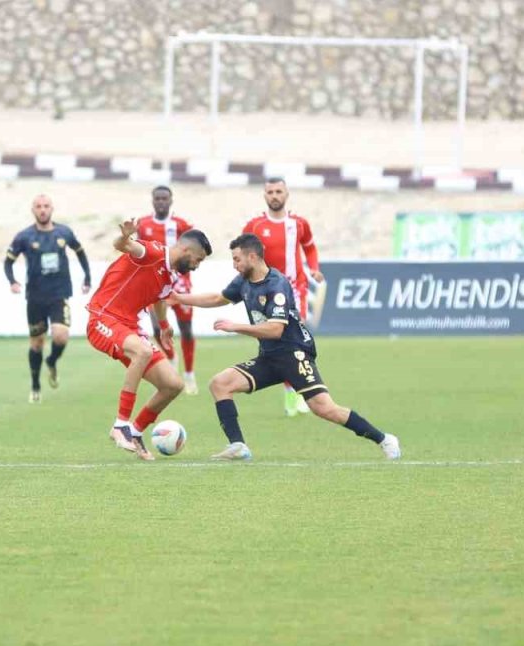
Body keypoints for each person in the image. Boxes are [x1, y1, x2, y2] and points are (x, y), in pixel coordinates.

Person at [170, 233, 400, 461]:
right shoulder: (244, 281)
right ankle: (238, 446)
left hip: (294, 353)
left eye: (237, 259)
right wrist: (178, 298)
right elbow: (217, 298)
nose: (234, 264)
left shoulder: (277, 285)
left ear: (252, 256)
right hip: (269, 357)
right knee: (220, 384)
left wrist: (235, 327)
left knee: (324, 408)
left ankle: (384, 439)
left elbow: (275, 329)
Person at [86, 219, 212, 461]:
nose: (196, 266)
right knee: (142, 352)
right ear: (187, 250)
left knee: (173, 385)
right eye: (198, 260)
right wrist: (125, 237)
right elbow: (124, 246)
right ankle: (120, 425)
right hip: (103, 318)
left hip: (129, 327)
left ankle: (134, 431)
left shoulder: (170, 275)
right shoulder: (151, 252)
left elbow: (160, 298)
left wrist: (164, 326)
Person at [242, 177, 324, 417]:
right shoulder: (255, 226)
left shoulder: (299, 224)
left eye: (279, 191)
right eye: (270, 192)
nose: (274, 195)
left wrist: (314, 267)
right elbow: (242, 253)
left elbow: (309, 246)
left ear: (287, 194)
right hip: (266, 290)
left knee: (295, 339)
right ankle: (291, 391)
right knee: (274, 342)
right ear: (264, 195)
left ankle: (296, 393)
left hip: (296, 288)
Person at [5, 195, 93, 403]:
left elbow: (80, 252)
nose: (42, 210)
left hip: (59, 293)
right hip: (35, 297)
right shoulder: (24, 237)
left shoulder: (64, 232)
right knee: (37, 343)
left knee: (61, 335)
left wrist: (87, 277)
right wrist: (13, 281)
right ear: (33, 210)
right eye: (38, 207)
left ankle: (52, 360)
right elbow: (8, 262)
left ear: (52, 209)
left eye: (46, 206)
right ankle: (35, 384)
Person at [136, 186, 199, 394]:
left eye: (164, 198)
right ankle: (172, 360)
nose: (161, 202)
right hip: (153, 285)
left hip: (179, 284)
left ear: (171, 200)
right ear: (152, 201)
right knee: (157, 329)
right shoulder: (143, 224)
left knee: (186, 330)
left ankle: (189, 375)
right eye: (157, 198)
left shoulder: (182, 225)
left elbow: (195, 251)